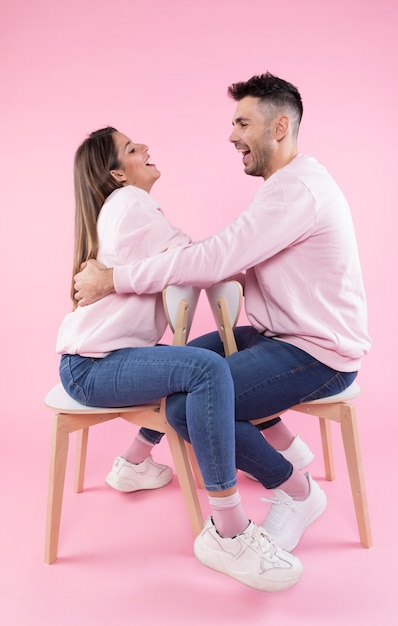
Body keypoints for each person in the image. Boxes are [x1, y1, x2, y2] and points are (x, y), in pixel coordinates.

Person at [73, 73, 371, 551]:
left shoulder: (295, 191)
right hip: (276, 336)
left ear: (277, 128)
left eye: (242, 123)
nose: (233, 136)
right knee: (186, 372)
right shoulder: (287, 186)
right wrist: (222, 266)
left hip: (315, 352)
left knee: (189, 406)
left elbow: (212, 257)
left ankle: (295, 490)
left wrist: (111, 279)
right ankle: (148, 460)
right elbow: (223, 258)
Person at [56, 126, 304, 592]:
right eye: (132, 149)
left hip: (109, 357)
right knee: (205, 368)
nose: (145, 147)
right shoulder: (131, 202)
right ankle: (229, 530)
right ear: (116, 173)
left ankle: (133, 462)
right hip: (93, 365)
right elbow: (197, 260)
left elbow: (188, 264)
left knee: (198, 356)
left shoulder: (126, 207)